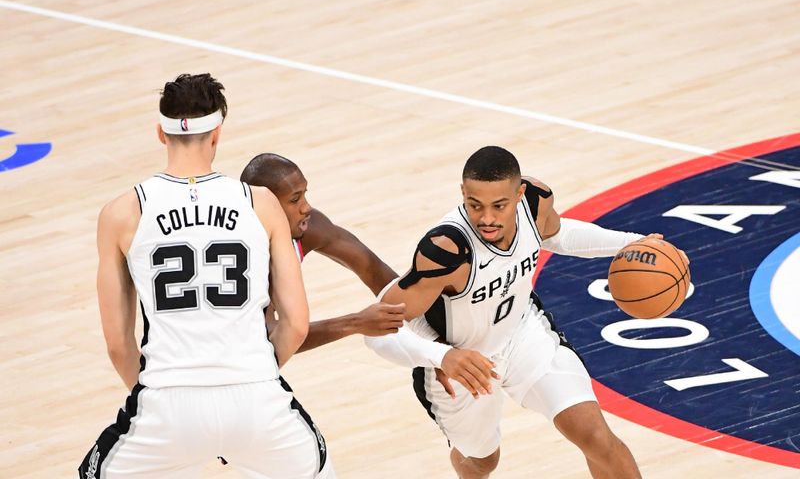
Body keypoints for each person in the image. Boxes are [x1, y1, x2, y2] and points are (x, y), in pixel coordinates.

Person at [366, 145, 684, 479]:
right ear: (462, 193)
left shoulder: (534, 201)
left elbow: (558, 234)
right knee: (483, 461)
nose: (487, 218)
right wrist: (442, 356)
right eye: (475, 205)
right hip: (462, 364)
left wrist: (633, 243)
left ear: (518, 194)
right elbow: (377, 330)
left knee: (595, 437)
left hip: (522, 334)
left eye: (499, 206)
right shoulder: (446, 250)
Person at [78, 74, 334, 479]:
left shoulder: (121, 213)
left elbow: (117, 344)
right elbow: (296, 324)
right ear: (217, 133)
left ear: (160, 133)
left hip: (167, 403)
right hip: (257, 396)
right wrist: (256, 376)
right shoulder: (261, 203)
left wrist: (162, 401)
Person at [240, 153, 406, 349]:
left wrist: (437, 343)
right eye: (295, 200)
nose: (306, 207)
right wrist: (355, 323)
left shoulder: (309, 227)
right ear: (264, 206)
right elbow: (268, 339)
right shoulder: (247, 256)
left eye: (304, 194)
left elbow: (375, 272)